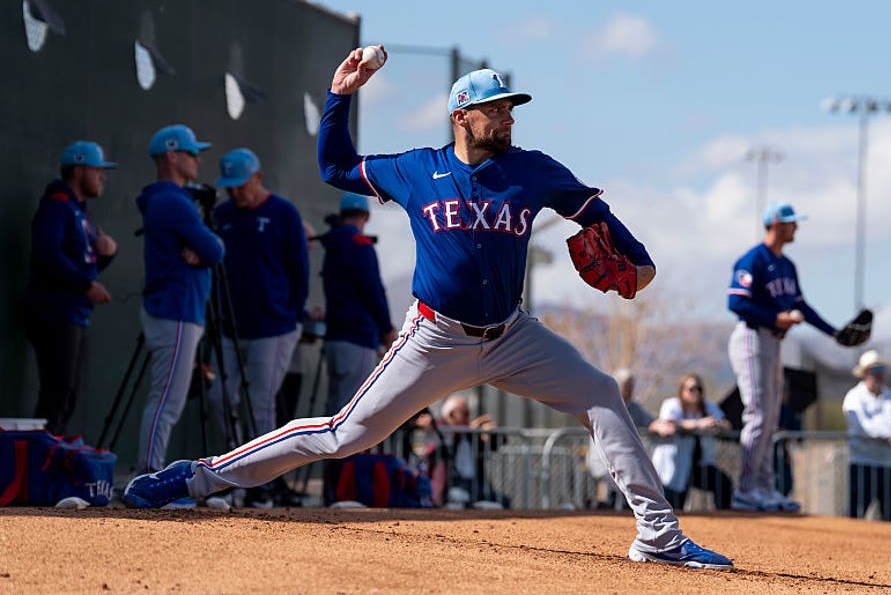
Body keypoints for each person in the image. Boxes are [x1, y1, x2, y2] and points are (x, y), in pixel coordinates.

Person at [125, 49, 733, 570]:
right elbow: (334, 167)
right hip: (435, 337)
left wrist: (638, 257)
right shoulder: (418, 169)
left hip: (513, 335)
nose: (507, 117)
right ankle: (195, 477)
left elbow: (592, 209)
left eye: (510, 109)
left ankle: (659, 536)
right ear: (461, 115)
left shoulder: (530, 169)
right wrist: (339, 96)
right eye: (496, 109)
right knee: (343, 435)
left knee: (601, 393)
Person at [203, 148, 308, 507]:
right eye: (230, 187)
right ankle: (234, 470)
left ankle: (262, 482)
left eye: (241, 185)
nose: (236, 192)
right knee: (219, 398)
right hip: (230, 326)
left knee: (260, 406)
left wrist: (292, 316)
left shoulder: (283, 212)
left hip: (273, 326)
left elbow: (299, 269)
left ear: (258, 177)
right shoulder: (222, 214)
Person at [726, 201, 846, 512]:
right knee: (758, 415)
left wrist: (834, 333)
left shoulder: (787, 266)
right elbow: (736, 303)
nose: (797, 227)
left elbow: (801, 307)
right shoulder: (753, 259)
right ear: (777, 225)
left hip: (773, 342)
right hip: (752, 338)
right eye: (792, 222)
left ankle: (764, 488)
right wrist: (776, 317)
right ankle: (746, 489)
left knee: (771, 418)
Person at [135, 124, 225, 486]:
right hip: (175, 310)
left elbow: (209, 250)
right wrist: (204, 250)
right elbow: (215, 249)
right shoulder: (171, 200)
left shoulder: (168, 200)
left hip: (178, 309)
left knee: (166, 400)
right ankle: (147, 475)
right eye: (192, 153)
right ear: (172, 156)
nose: (198, 160)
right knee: (166, 402)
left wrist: (203, 250)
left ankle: (148, 473)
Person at [20, 141, 118, 435]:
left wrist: (105, 255)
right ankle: (41, 459)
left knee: (67, 396)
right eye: (97, 170)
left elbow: (79, 265)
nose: (102, 177)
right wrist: (86, 285)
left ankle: (52, 456)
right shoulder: (57, 205)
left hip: (75, 313)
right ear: (78, 170)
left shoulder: (79, 212)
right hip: (55, 312)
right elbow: (47, 253)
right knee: (57, 395)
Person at [319, 193, 396, 416]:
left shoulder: (332, 244)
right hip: (358, 335)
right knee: (350, 412)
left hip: (334, 336)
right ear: (366, 216)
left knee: (334, 406)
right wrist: (386, 329)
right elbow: (373, 290)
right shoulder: (360, 244)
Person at [588, 369, 676, 509]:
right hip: (603, 461)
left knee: (631, 487)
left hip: (623, 462)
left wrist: (661, 426)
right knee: (614, 491)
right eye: (627, 386)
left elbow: (649, 422)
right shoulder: (604, 404)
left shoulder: (633, 407)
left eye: (631, 385)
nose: (630, 389)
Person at [843, 350, 891, 523]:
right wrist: (889, 435)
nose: (879, 374)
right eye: (874, 370)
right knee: (857, 514)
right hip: (863, 463)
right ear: (864, 373)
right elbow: (862, 426)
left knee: (890, 515)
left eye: (881, 369)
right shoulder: (854, 397)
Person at [650, 374, 733, 511]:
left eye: (699, 389)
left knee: (723, 483)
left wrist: (716, 425)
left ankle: (724, 517)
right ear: (682, 390)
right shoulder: (672, 405)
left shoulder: (707, 407)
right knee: (674, 506)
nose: (696, 392)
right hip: (673, 467)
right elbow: (668, 423)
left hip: (698, 464)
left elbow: (726, 424)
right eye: (691, 389)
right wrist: (698, 424)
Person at [436, 394, 506, 509]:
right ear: (451, 415)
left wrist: (492, 432)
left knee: (502, 502)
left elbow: (498, 443)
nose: (467, 417)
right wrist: (471, 426)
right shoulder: (441, 433)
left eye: (467, 413)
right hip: (454, 485)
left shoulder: (472, 436)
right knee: (458, 499)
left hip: (477, 484)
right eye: (464, 413)